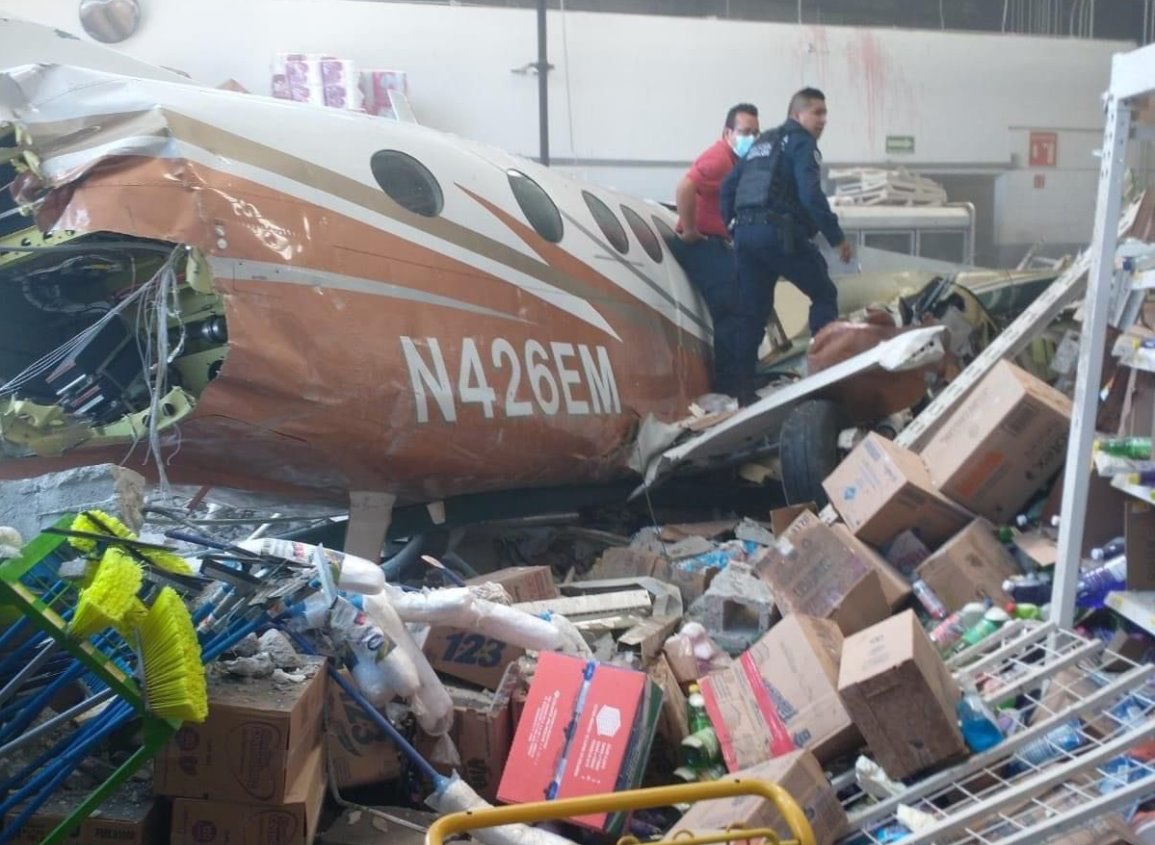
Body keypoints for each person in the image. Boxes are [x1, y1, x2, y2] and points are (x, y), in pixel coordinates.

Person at [719, 87, 853, 404]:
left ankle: (742, 391)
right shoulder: (802, 143)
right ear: (797, 114)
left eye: (825, 114)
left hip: (747, 237)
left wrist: (731, 228)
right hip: (778, 235)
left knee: (752, 312)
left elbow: (728, 187)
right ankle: (823, 377)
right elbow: (811, 196)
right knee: (824, 292)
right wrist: (837, 238)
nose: (823, 120)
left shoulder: (762, 142)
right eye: (816, 113)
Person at [670, 103, 760, 397]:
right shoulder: (719, 159)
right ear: (728, 132)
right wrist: (692, 229)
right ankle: (729, 387)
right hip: (701, 243)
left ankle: (741, 380)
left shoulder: (736, 162)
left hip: (719, 242)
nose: (752, 138)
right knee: (731, 310)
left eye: (756, 133)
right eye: (746, 132)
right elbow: (685, 187)